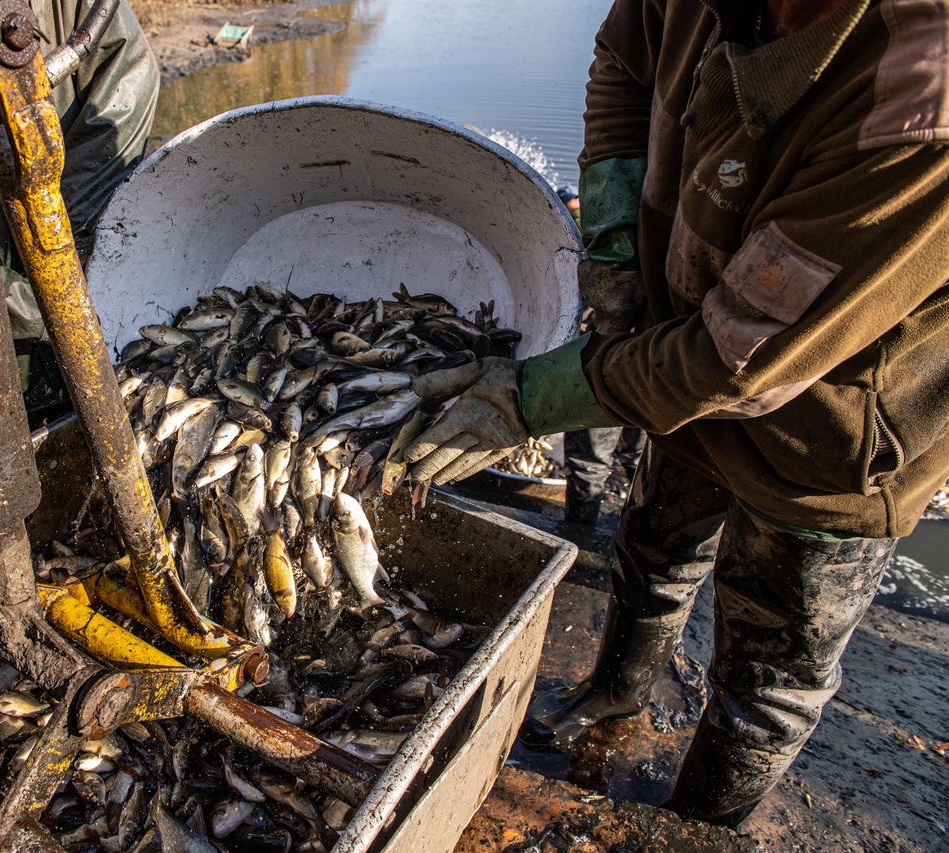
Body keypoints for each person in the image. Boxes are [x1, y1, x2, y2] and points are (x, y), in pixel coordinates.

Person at [403, 0, 949, 827]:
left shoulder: (924, 99)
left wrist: (530, 398)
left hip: (836, 427)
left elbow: (742, 357)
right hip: (673, 352)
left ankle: (696, 825)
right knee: (652, 544)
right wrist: (618, 236)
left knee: (771, 670)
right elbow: (622, 62)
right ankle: (614, 694)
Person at [5, 0, 161, 420]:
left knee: (89, 408)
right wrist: (16, 300)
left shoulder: (74, 8)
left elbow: (127, 77)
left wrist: (60, 233)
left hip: (69, 222)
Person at [556, 185, 649, 528]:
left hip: (604, 359)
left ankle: (581, 530)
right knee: (638, 446)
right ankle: (623, 510)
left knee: (589, 458)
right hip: (652, 357)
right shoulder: (650, 226)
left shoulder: (577, 234)